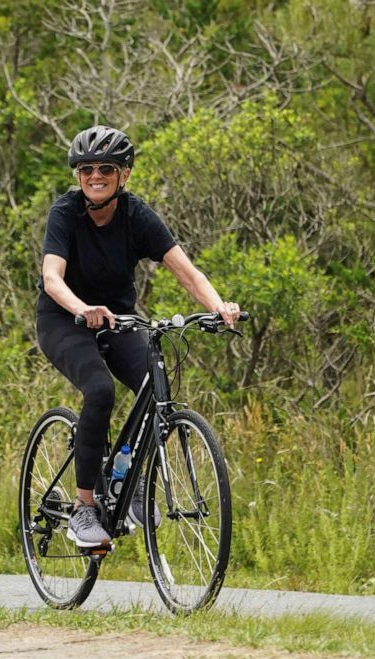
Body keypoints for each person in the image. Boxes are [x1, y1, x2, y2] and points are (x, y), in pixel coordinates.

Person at [36, 125, 240, 548]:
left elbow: (187, 272)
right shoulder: (65, 213)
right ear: (78, 175)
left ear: (123, 175)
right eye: (87, 168)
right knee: (99, 389)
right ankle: (84, 509)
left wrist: (219, 306)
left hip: (119, 320)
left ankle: (127, 479)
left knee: (156, 388)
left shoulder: (136, 216)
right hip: (63, 320)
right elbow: (52, 279)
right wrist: (82, 308)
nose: (96, 175)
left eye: (106, 168)